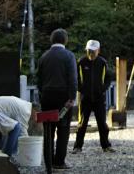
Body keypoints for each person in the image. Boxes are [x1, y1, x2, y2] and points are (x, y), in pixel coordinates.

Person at [38, 28, 77, 170]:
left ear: (52, 40)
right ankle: (59, 161)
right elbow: (72, 79)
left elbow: (39, 80)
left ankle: (48, 161)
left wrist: (42, 94)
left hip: (47, 96)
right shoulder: (68, 56)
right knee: (63, 129)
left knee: (48, 129)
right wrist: (72, 97)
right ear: (65, 40)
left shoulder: (44, 56)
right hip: (63, 97)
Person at [72, 40, 113, 154]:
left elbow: (109, 77)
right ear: (86, 50)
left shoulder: (103, 62)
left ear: (98, 51)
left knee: (102, 123)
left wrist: (103, 88)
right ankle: (77, 146)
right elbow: (75, 78)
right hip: (85, 98)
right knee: (82, 123)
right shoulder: (81, 62)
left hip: (99, 97)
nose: (91, 53)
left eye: (93, 51)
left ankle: (106, 146)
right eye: (89, 51)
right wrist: (81, 89)